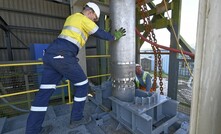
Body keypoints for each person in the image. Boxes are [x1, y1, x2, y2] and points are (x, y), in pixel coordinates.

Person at [25, 2, 126, 134]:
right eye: (94, 18)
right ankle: (76, 118)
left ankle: (33, 130)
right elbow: (99, 33)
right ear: (90, 13)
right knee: (83, 84)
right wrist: (114, 36)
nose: (94, 21)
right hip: (63, 55)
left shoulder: (71, 18)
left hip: (52, 55)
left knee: (43, 94)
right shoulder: (83, 19)